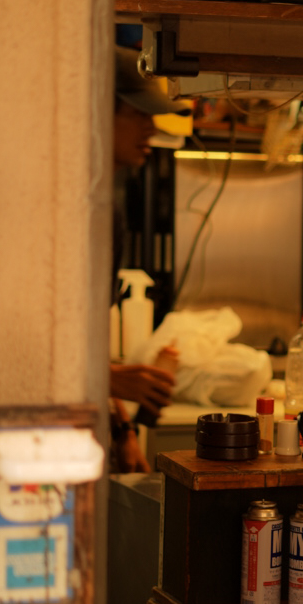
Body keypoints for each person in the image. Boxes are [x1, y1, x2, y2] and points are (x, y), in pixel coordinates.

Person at [109, 48, 189, 470]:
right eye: (140, 114)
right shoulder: (52, 207)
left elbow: (83, 346)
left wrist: (124, 434)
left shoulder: (108, 214)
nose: (153, 128)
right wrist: (112, 379)